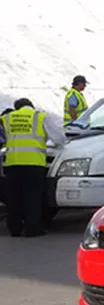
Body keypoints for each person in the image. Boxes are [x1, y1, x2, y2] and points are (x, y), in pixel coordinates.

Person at [2, 98, 66, 237]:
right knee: (33, 197)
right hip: (34, 163)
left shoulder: (7, 117)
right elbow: (59, 138)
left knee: (14, 197)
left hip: (12, 163)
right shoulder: (40, 117)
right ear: (31, 105)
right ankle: (33, 229)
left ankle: (15, 228)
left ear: (16, 108)